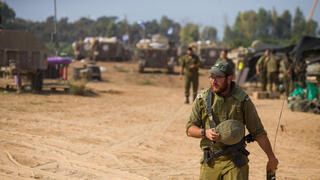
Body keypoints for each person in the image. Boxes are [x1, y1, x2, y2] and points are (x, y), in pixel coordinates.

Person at [185, 61, 278, 180]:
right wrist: (205, 133)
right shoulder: (202, 99)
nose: (214, 81)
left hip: (235, 161)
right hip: (211, 161)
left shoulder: (242, 100)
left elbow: (258, 132)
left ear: (229, 78)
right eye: (212, 77)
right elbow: (190, 129)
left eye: (218, 77)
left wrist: (271, 157)